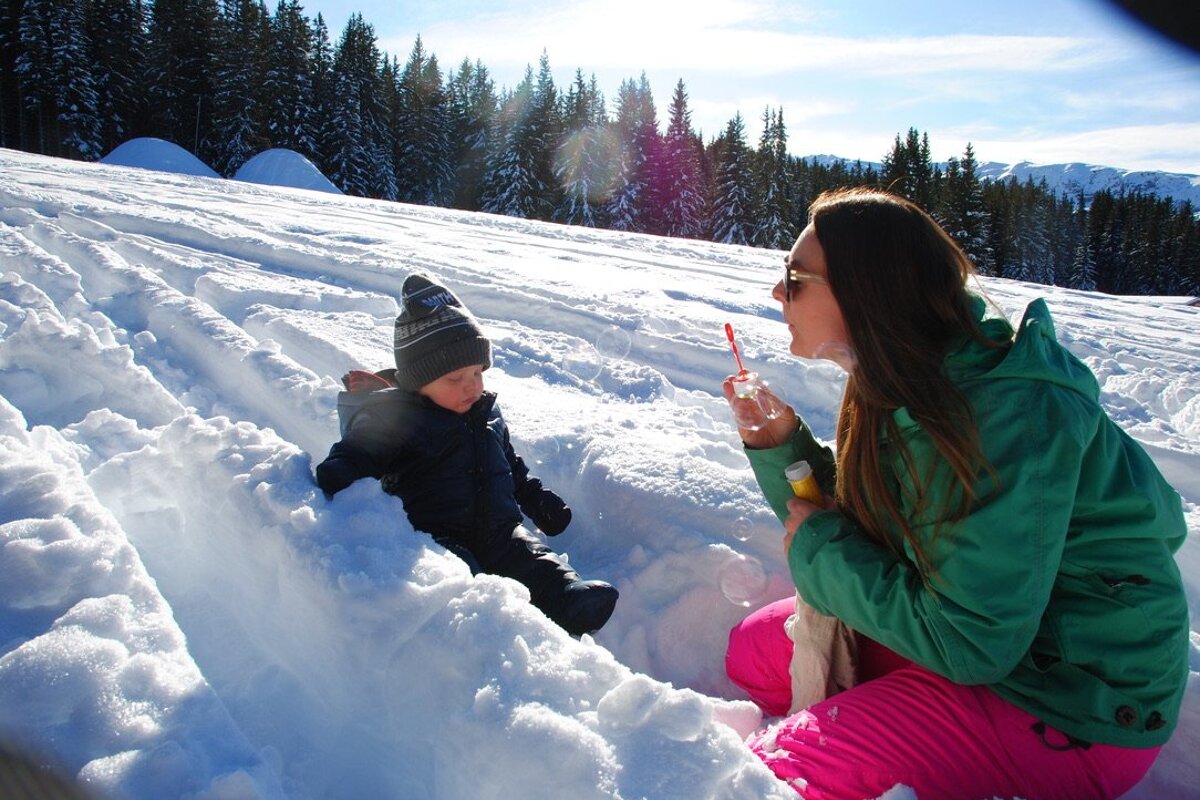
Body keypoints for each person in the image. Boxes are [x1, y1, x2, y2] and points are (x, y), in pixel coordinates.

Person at [721, 187, 1189, 799]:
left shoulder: (1000, 420)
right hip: (993, 639)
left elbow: (971, 643)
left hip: (1074, 702)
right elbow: (881, 518)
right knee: (752, 653)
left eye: (795, 276)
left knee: (769, 775)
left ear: (868, 293)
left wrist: (820, 552)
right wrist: (782, 447)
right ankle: (891, 732)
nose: (778, 293)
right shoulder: (903, 372)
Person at [315, 273, 618, 636]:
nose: (472, 386)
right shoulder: (399, 419)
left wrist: (537, 499)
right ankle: (487, 629)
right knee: (462, 573)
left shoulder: (486, 412)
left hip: (499, 531)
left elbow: (511, 466)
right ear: (419, 381)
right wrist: (341, 466)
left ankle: (569, 600)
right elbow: (363, 449)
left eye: (477, 372)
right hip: (434, 535)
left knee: (534, 560)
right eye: (455, 379)